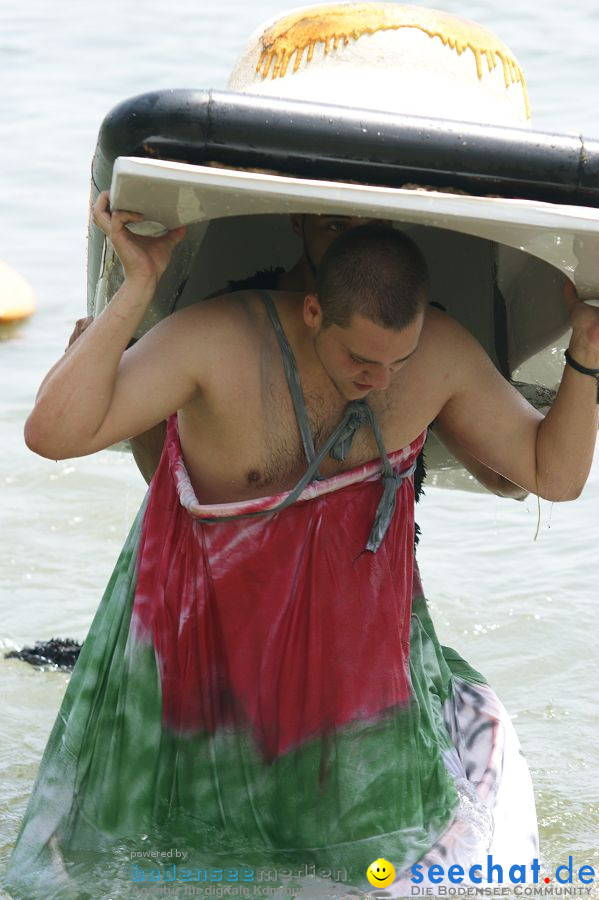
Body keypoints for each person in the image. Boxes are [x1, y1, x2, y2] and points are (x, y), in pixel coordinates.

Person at [9, 193, 598, 896]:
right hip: (202, 659)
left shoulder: (434, 353)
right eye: (361, 358)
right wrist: (136, 288)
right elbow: (53, 435)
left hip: (346, 677)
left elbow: (551, 475)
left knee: (369, 867)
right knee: (147, 862)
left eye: (396, 361)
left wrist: (585, 359)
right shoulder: (216, 338)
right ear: (315, 310)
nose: (379, 379)